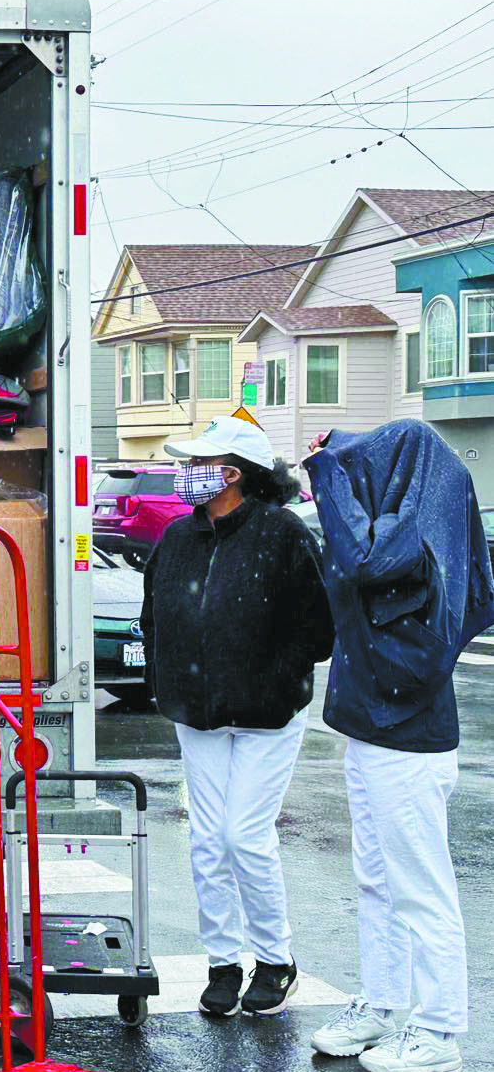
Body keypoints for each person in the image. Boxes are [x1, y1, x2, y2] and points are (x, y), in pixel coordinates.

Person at [302, 421, 494, 1072]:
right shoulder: (404, 529)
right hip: (371, 730)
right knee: (377, 881)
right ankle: (381, 1005)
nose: (359, 480)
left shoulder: (408, 542)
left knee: (418, 887)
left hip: (406, 740)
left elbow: (361, 561)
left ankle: (438, 1029)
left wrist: (327, 473)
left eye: (369, 468)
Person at [140, 416, 334, 1020]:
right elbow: (154, 617)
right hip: (197, 711)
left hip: (267, 714)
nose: (183, 473)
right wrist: (166, 677)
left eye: (196, 464)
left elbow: (316, 628)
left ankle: (276, 961)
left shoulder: (283, 534)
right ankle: (223, 961)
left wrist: (276, 679)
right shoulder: (177, 539)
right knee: (205, 839)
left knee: (243, 836)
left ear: (231, 475)